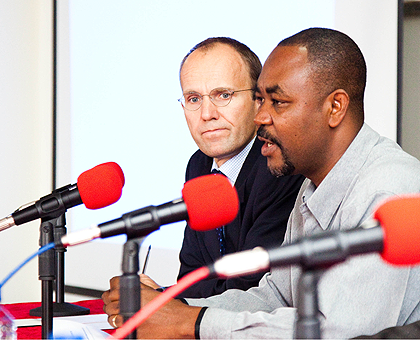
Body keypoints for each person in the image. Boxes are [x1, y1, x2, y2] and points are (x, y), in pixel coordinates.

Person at [103, 28, 420, 339]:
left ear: (335, 107)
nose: (259, 117)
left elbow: (340, 330)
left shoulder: (389, 188)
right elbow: (274, 297)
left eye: (278, 102)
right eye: (261, 100)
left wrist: (191, 323)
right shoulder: (311, 187)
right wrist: (172, 310)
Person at [142, 37, 304, 299]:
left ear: (257, 100)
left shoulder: (278, 166)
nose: (207, 114)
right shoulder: (199, 165)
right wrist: (166, 295)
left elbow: (253, 287)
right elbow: (190, 274)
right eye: (193, 99)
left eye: (223, 95)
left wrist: (171, 299)